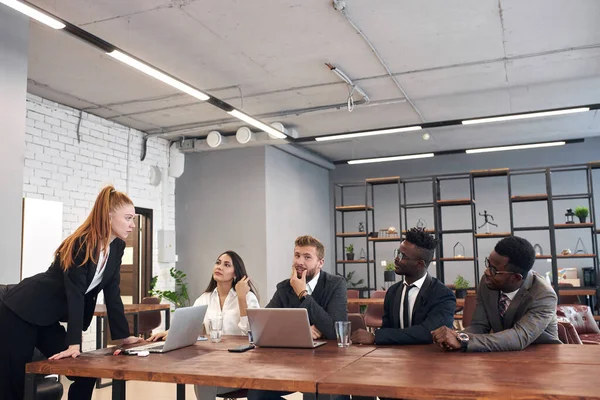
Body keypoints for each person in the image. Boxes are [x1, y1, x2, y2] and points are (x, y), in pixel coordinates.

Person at [0, 186, 143, 400]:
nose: (133, 225)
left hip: (46, 318)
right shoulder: (81, 243)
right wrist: (73, 343)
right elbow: (75, 293)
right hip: (20, 311)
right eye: (128, 218)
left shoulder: (116, 248)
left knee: (85, 373)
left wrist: (123, 336)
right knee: (15, 382)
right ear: (109, 216)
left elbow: (113, 293)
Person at [247, 235, 347, 400]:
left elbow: (334, 330)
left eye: (307, 257)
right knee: (257, 393)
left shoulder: (336, 284)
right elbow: (263, 328)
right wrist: (302, 331)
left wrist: (303, 293)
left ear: (320, 263)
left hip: (328, 363)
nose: (300, 261)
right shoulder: (285, 287)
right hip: (289, 363)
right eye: (297, 255)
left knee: (321, 394)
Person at [149, 250, 259, 399]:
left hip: (241, 364)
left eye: (226, 265)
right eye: (218, 263)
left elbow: (251, 334)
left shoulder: (248, 298)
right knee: (201, 376)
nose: (219, 267)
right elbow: (189, 324)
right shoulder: (205, 298)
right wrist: (170, 332)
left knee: (203, 380)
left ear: (235, 274)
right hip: (212, 363)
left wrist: (241, 298)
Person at [431, 235, 561, 352]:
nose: (487, 272)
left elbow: (519, 337)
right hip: (503, 355)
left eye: (494, 270)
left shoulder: (543, 295)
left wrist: (464, 341)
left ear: (515, 278)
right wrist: (456, 336)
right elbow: (479, 326)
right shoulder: (488, 282)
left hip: (542, 356)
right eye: (488, 264)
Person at [351, 227, 456, 346]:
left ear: (419, 264)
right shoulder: (393, 292)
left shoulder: (443, 295)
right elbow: (388, 329)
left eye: (402, 256)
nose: (396, 259)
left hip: (429, 359)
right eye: (397, 253)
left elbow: (428, 333)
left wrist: (376, 337)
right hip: (396, 359)